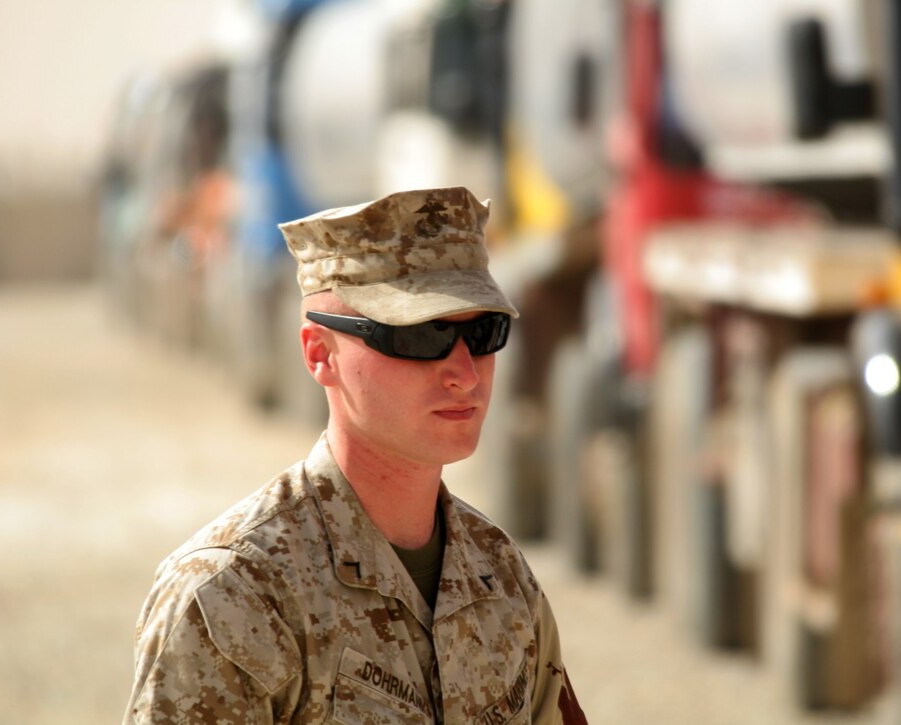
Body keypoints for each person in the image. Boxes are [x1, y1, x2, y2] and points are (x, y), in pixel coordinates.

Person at [124, 186, 587, 724]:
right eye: (420, 336)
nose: (465, 373)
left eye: (484, 333)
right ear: (320, 354)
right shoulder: (232, 597)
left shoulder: (502, 577)